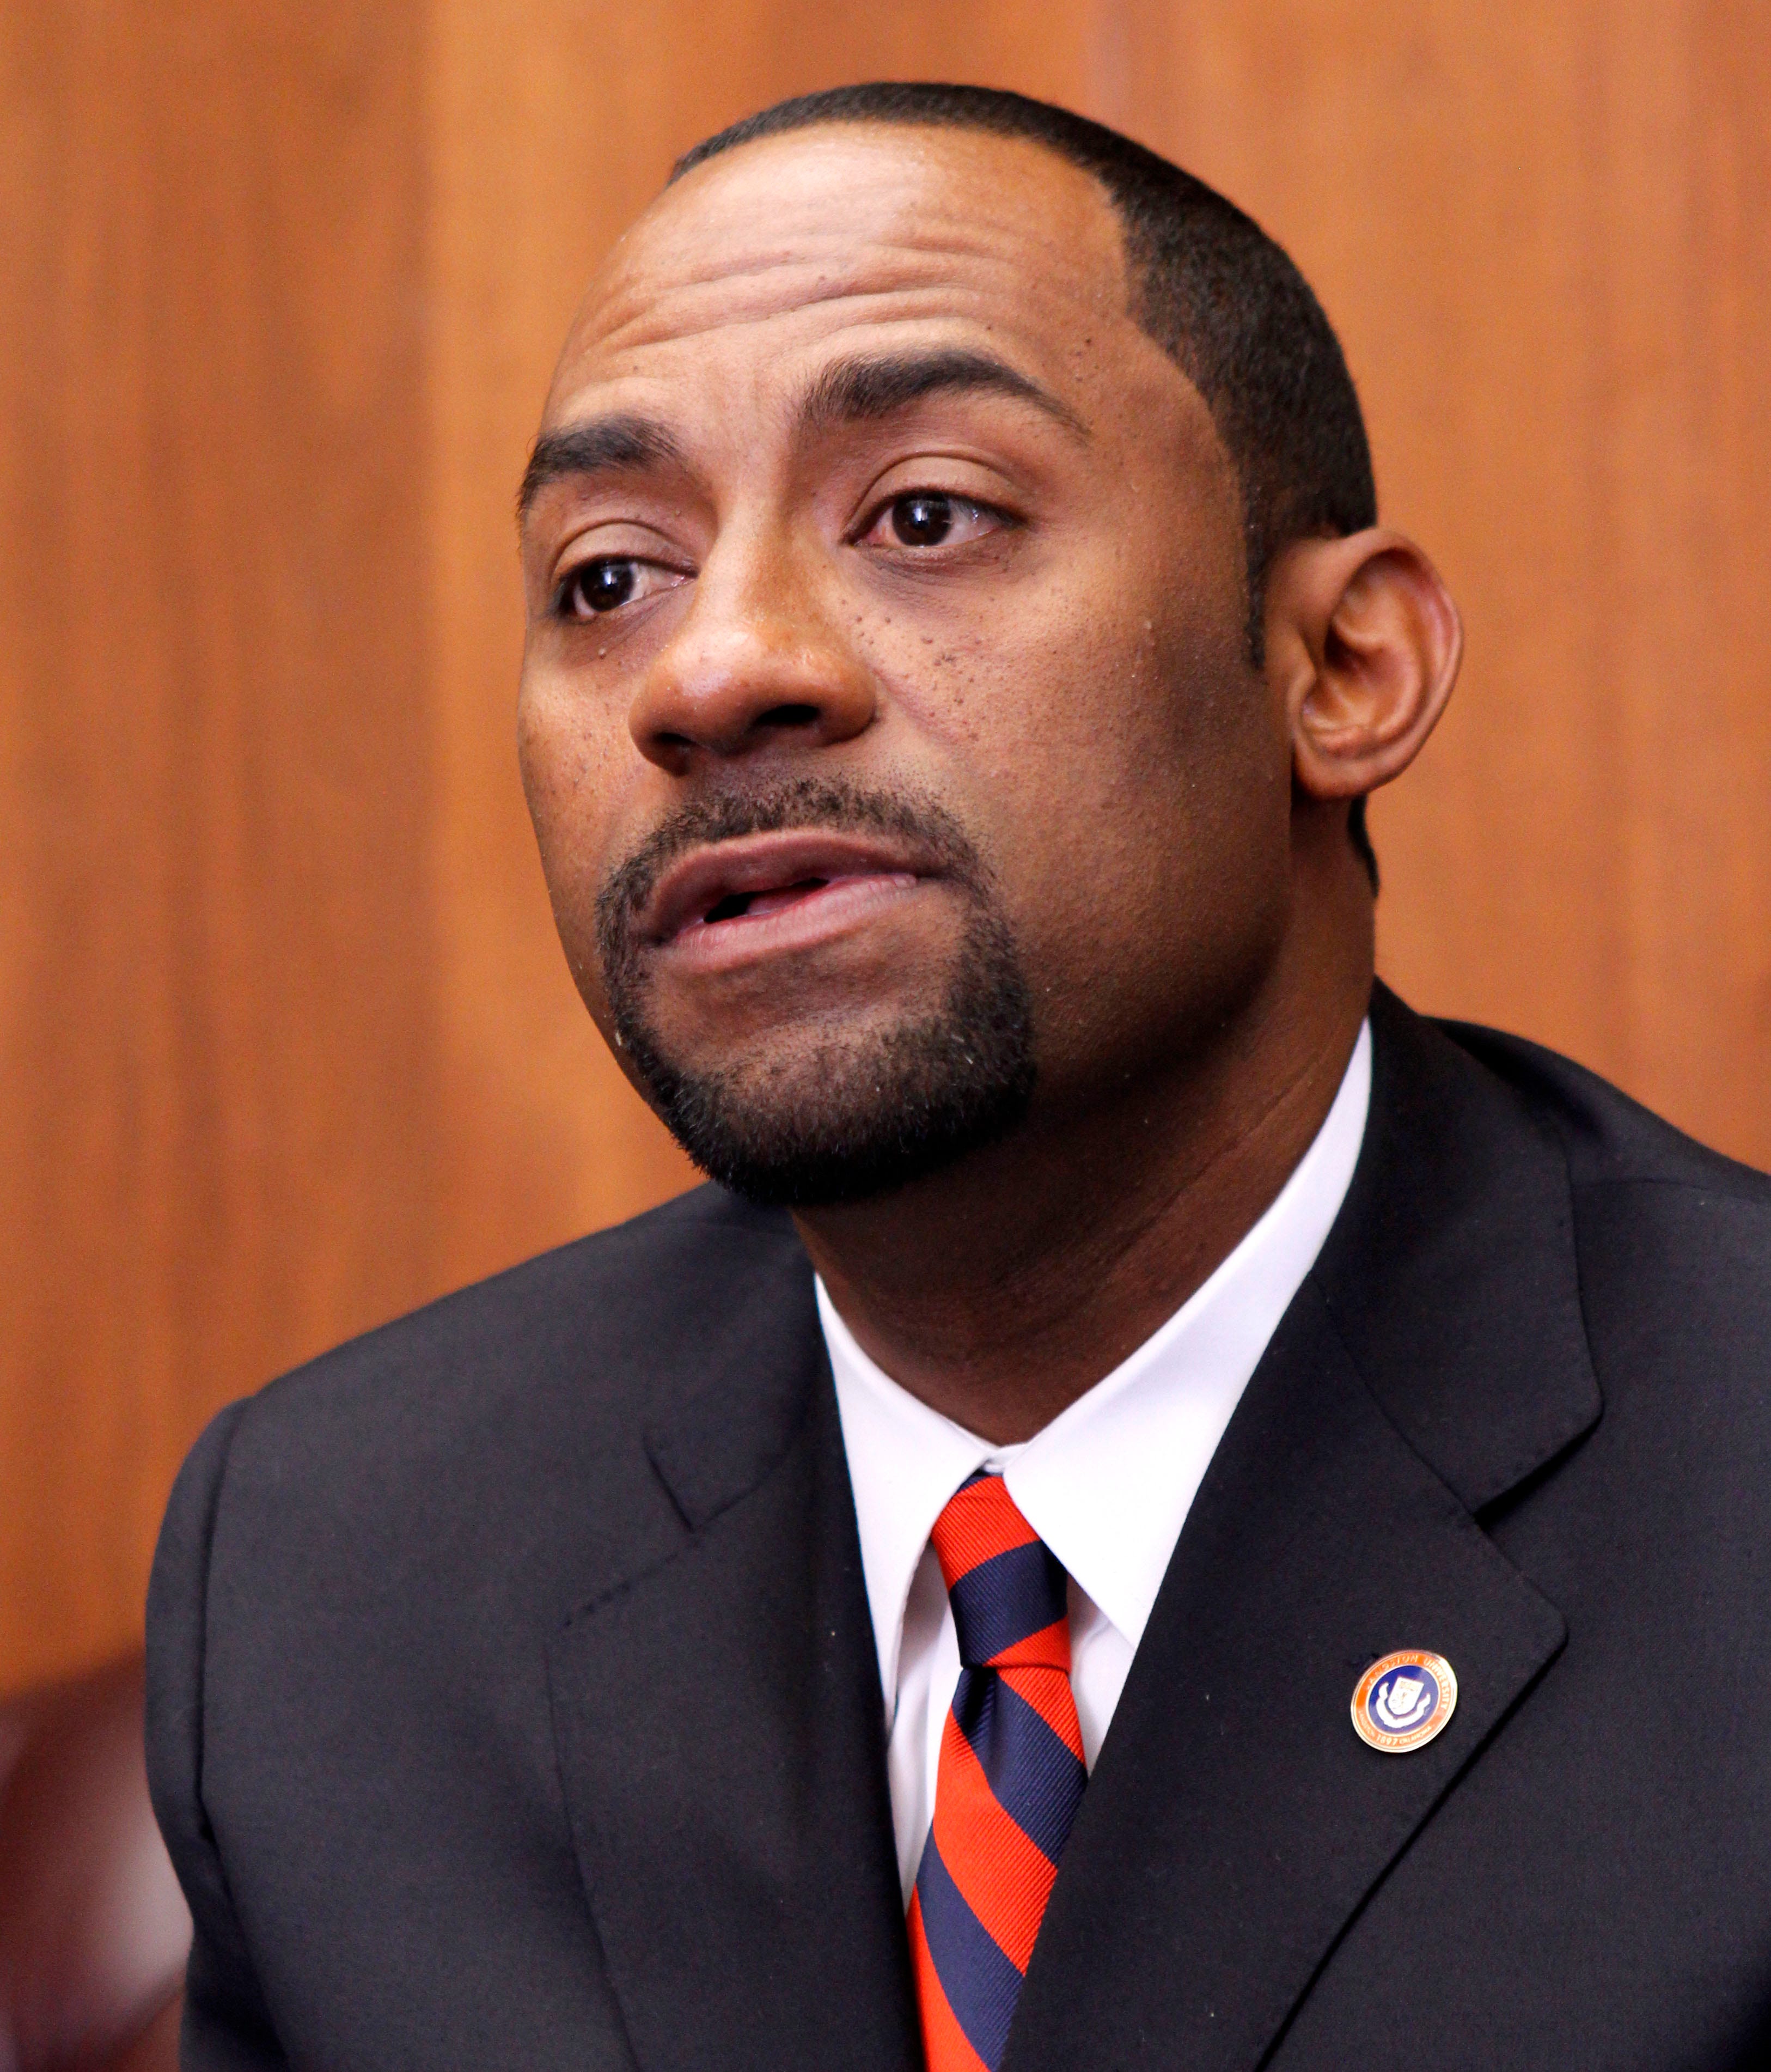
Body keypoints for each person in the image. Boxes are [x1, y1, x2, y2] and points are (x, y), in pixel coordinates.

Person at [145, 83, 1771, 2072]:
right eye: (606, 576)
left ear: (1338, 668)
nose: (711, 669)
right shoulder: (337, 1572)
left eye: (925, 513)